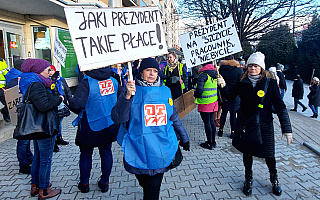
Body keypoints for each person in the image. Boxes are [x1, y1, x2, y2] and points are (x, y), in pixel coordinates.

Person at [111, 58, 190, 200]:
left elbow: (173, 116)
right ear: (141, 72)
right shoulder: (130, 90)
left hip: (161, 147)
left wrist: (184, 137)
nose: (152, 74)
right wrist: (128, 96)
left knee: (152, 191)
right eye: (148, 70)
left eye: (155, 71)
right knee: (145, 182)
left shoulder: (165, 91)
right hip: (138, 146)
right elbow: (119, 118)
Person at [217, 52, 293, 197]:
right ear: (247, 67)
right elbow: (228, 96)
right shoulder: (241, 82)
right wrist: (222, 85)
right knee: (247, 154)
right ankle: (248, 179)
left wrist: (287, 128)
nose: (253, 68)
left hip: (264, 125)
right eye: (250, 65)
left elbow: (280, 106)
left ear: (261, 68)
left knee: (269, 155)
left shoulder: (269, 83)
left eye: (256, 66)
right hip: (245, 124)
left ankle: (274, 178)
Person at [67, 66, 121, 193]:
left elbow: (77, 106)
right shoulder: (113, 79)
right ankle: (105, 183)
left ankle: (84, 184)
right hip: (109, 123)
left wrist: (68, 98)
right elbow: (119, 99)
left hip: (90, 125)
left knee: (86, 154)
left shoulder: (86, 82)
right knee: (106, 152)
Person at [19, 58, 62, 199]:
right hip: (44, 126)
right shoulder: (36, 85)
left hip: (38, 126)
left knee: (38, 157)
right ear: (38, 70)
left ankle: (35, 185)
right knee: (45, 159)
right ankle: (44, 190)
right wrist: (59, 99)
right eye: (47, 70)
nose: (50, 72)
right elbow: (44, 105)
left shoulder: (35, 82)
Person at [5, 59, 34, 174]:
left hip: (20, 111)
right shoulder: (17, 79)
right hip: (22, 112)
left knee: (26, 137)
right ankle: (23, 164)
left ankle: (28, 156)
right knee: (23, 139)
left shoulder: (12, 75)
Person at [194, 62, 218, 149]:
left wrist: (195, 94)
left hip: (205, 102)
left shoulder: (203, 75)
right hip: (213, 101)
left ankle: (209, 143)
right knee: (212, 121)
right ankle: (213, 142)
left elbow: (199, 90)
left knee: (207, 122)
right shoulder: (215, 73)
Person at [217, 55, 243, 138]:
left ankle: (221, 130)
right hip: (235, 94)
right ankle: (233, 132)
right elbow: (241, 82)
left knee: (224, 112)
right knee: (233, 113)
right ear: (233, 59)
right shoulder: (238, 70)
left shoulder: (221, 69)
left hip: (224, 92)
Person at [49, 65, 72, 152]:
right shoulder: (48, 80)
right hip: (53, 105)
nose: (50, 72)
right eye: (49, 70)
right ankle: (54, 141)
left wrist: (70, 101)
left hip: (62, 104)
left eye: (52, 70)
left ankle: (59, 138)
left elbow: (67, 90)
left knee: (59, 122)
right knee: (55, 123)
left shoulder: (61, 79)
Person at [0, 57, 10, 122]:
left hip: (1, 87)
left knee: (8, 101)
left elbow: (6, 73)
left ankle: (5, 112)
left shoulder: (1, 61)